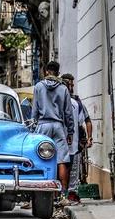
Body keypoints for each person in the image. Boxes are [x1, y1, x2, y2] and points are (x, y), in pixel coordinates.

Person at [31, 61, 74, 205]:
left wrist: (33, 127)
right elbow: (68, 113)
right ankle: (63, 196)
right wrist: (71, 131)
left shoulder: (38, 87)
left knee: (40, 158)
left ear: (46, 71)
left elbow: (34, 111)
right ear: (58, 72)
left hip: (43, 125)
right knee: (62, 160)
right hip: (58, 125)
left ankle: (38, 194)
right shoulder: (63, 88)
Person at [61, 73, 93, 205]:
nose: (71, 87)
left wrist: (89, 138)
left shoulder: (76, 102)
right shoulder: (62, 101)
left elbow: (86, 121)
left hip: (75, 141)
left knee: (73, 168)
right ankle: (62, 193)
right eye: (69, 84)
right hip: (64, 140)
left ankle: (71, 193)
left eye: (72, 84)